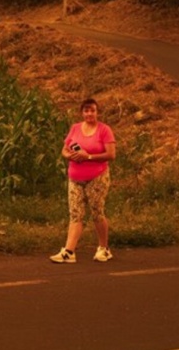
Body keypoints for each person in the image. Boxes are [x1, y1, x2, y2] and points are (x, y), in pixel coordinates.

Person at [50, 98, 116, 263]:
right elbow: (65, 149)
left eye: (92, 110)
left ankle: (104, 248)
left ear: (97, 112)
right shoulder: (75, 128)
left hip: (97, 177)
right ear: (82, 112)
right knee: (76, 214)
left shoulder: (104, 130)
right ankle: (69, 251)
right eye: (86, 110)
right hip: (75, 177)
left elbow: (111, 155)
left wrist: (88, 156)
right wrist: (71, 155)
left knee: (96, 212)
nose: (89, 114)